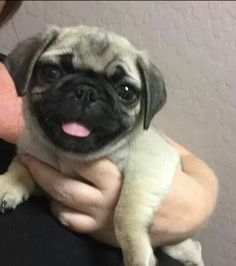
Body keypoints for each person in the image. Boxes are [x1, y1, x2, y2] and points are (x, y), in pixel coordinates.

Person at [0, 1, 218, 265]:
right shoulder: (32, 140)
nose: (85, 97)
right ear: (25, 71)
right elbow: (28, 161)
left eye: (124, 92)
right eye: (52, 72)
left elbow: (178, 160)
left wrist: (201, 199)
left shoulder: (139, 145)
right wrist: (17, 180)